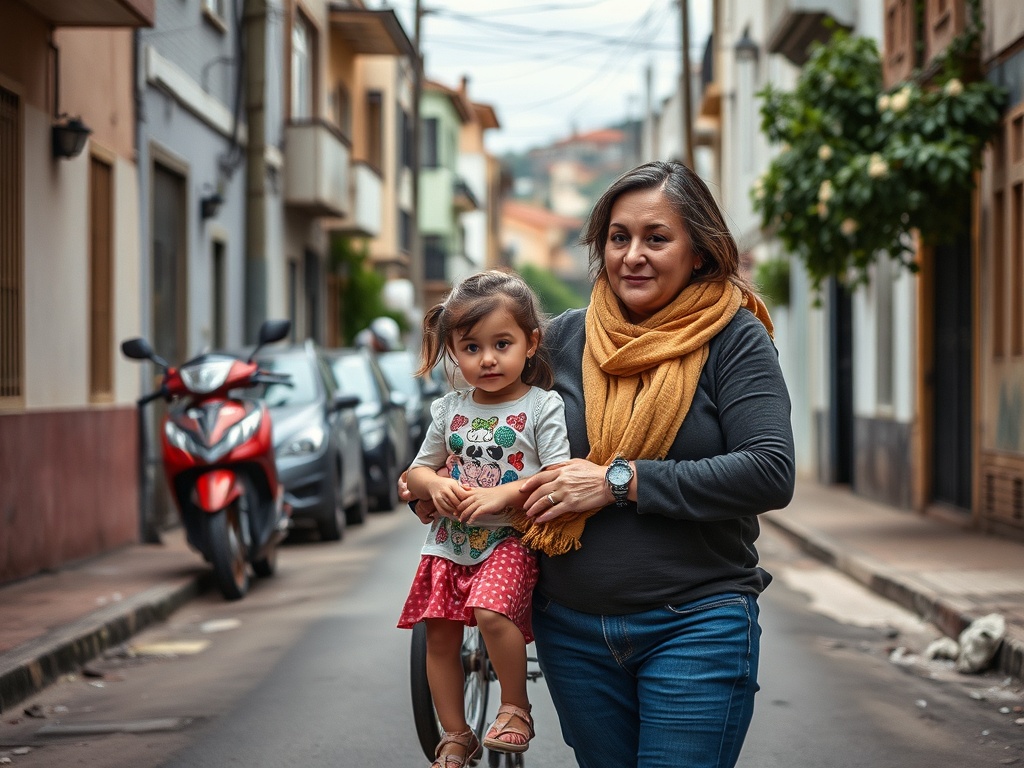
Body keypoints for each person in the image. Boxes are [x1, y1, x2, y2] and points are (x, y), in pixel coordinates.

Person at [512, 160, 794, 767]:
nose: (632, 255)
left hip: (696, 625)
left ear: (699, 253)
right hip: (573, 632)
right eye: (619, 238)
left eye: (656, 238)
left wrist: (620, 481)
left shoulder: (733, 340)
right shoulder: (563, 340)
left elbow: (770, 469)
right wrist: (438, 476)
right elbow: (498, 432)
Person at [397, 270, 572, 768]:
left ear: (531, 342)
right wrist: (434, 485)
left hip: (508, 540)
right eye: (471, 347)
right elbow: (417, 470)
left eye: (502, 343)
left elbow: (558, 473)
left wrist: (503, 495)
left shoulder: (542, 406)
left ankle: (515, 708)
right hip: (450, 542)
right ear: (453, 351)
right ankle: (456, 733)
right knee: (440, 634)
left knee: (493, 614)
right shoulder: (449, 410)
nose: (488, 359)